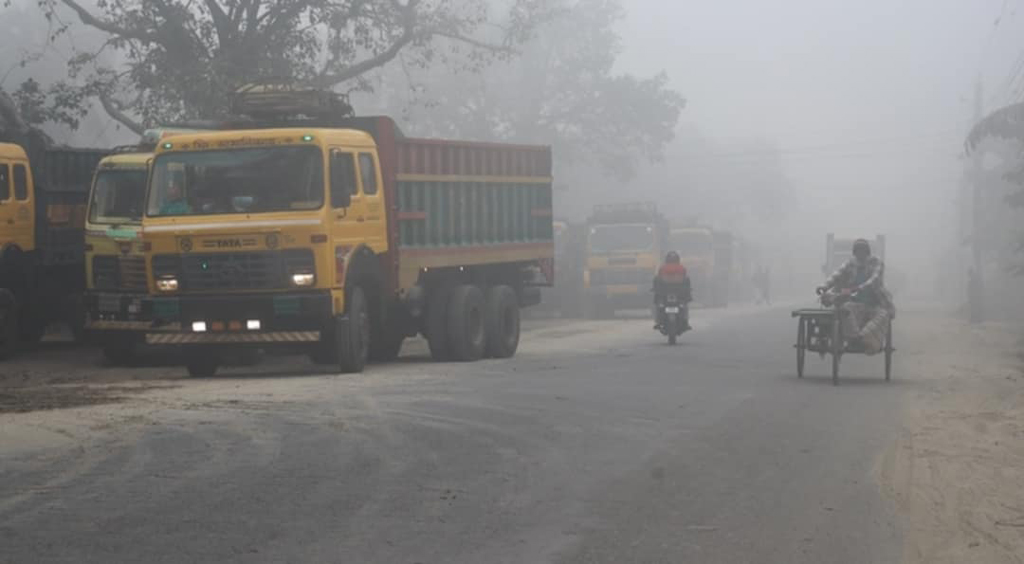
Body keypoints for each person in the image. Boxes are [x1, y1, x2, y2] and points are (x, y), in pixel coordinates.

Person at [816, 239, 895, 355]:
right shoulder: (850, 263)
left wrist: (859, 288)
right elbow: (836, 275)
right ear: (855, 252)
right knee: (845, 310)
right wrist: (824, 286)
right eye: (858, 251)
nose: (860, 253)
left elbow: (874, 280)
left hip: (875, 304)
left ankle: (864, 339)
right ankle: (855, 339)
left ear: (867, 252)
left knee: (884, 315)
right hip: (854, 304)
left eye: (863, 250)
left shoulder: (876, 263)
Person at [653, 251, 693, 331]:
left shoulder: (662, 268)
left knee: (658, 304)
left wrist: (656, 291)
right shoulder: (682, 268)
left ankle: (658, 321)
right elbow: (686, 281)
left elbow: (657, 281)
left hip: (664, 294)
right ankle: (685, 322)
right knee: (684, 305)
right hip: (680, 294)